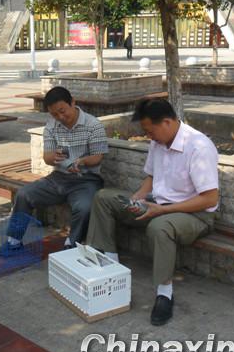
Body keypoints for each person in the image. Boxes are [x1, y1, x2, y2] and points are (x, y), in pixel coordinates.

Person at [85, 98, 219, 326]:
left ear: (167, 122)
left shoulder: (199, 147)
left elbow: (209, 199)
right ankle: (110, 265)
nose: (148, 136)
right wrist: (137, 198)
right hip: (158, 205)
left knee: (159, 227)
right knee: (104, 198)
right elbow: (152, 176)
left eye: (150, 131)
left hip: (195, 214)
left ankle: (164, 293)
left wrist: (162, 211)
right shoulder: (159, 142)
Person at [0, 86, 108, 253]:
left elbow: (97, 157)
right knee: (24, 194)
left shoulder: (93, 124)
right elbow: (47, 157)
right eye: (54, 114)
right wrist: (53, 157)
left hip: (86, 180)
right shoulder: (51, 126)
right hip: (58, 178)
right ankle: (14, 240)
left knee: (84, 207)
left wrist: (81, 161)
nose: (60, 117)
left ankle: (72, 243)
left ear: (73, 103)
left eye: (62, 111)